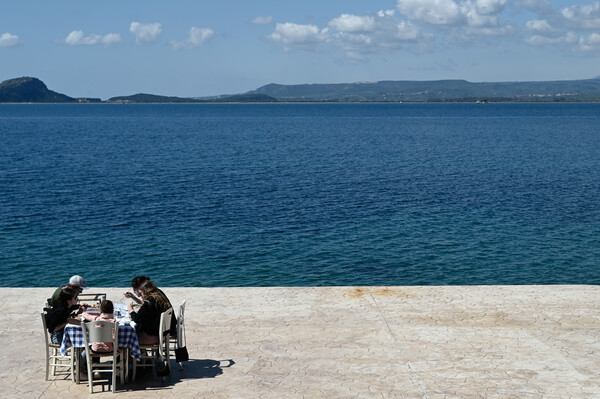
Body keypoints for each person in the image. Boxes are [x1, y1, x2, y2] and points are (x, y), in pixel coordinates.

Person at [80, 300, 116, 379]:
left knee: (87, 349)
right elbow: (114, 338)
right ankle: (118, 368)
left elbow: (85, 315)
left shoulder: (95, 319)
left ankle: (94, 368)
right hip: (110, 349)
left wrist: (84, 310)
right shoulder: (113, 322)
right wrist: (118, 348)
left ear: (101, 310)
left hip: (96, 349)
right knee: (123, 349)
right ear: (113, 310)